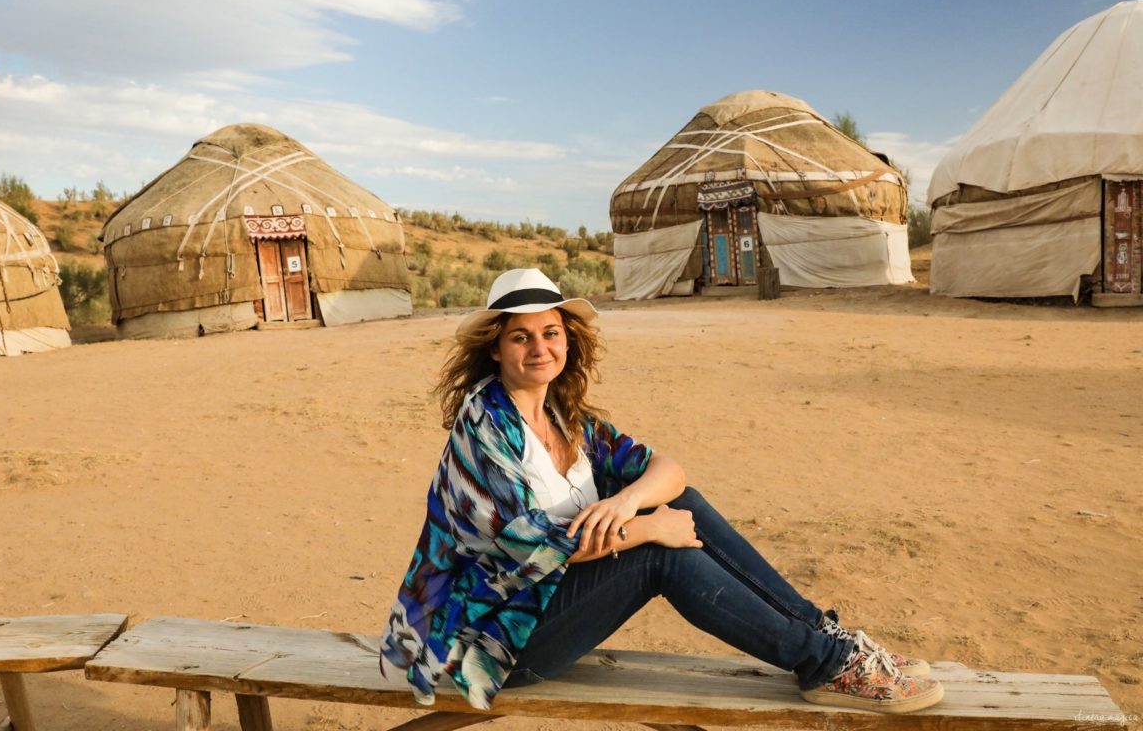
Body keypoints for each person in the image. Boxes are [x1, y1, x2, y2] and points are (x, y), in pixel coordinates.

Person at [380, 268, 943, 714]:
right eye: (520, 336)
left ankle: (827, 637)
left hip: (544, 603)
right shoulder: (487, 424)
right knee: (658, 555)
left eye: (550, 333)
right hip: (493, 640)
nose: (538, 348)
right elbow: (524, 545)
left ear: (567, 341)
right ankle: (823, 662)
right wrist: (648, 527)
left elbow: (669, 471)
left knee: (682, 504)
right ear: (497, 348)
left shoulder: (564, 416)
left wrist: (628, 501)